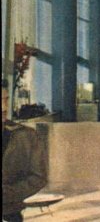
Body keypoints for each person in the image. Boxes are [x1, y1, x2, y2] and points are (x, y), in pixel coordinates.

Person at [3, 84, 47, 222]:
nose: (3, 108)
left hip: (11, 214)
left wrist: (8, 194)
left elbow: (38, 177)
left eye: (5, 100)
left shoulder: (27, 136)